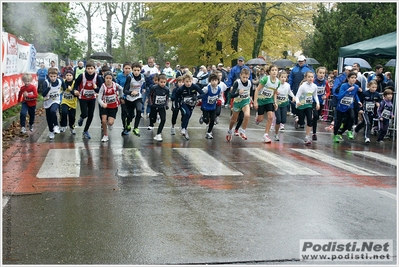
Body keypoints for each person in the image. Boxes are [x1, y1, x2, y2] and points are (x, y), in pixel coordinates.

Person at [73, 60, 102, 139]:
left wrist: (96, 89)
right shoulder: (82, 76)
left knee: (91, 115)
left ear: (94, 69)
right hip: (83, 97)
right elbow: (76, 83)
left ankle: (85, 130)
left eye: (91, 68)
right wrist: (75, 90)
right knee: (85, 113)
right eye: (88, 68)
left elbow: (101, 88)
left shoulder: (97, 77)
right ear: (86, 69)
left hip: (92, 98)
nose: (90, 70)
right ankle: (82, 117)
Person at [173, 73, 205, 140]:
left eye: (190, 81)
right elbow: (176, 96)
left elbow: (202, 93)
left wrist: (196, 97)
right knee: (187, 113)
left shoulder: (194, 86)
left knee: (188, 116)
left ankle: (183, 127)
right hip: (183, 103)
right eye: (187, 81)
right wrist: (176, 105)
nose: (188, 83)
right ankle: (183, 129)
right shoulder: (181, 88)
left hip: (192, 104)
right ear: (184, 81)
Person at [333, 71, 362, 143]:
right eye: (352, 78)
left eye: (355, 78)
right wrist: (347, 91)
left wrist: (358, 101)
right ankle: (335, 135)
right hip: (341, 106)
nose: (353, 79)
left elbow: (355, 95)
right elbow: (339, 97)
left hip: (349, 105)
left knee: (352, 117)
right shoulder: (344, 86)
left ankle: (349, 131)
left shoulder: (356, 87)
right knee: (338, 122)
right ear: (348, 78)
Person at [254, 64, 279, 143]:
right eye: (273, 70)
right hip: (261, 100)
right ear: (269, 72)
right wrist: (255, 101)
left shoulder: (278, 82)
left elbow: (275, 93)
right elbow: (257, 90)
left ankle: (266, 135)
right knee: (260, 119)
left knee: (271, 117)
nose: (274, 72)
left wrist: (275, 102)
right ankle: (257, 117)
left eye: (276, 70)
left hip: (269, 101)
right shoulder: (265, 79)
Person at [226, 68, 252, 141]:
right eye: (243, 77)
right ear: (240, 75)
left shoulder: (249, 82)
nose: (245, 79)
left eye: (246, 77)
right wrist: (238, 93)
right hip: (237, 102)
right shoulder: (237, 83)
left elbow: (251, 91)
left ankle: (242, 131)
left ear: (249, 76)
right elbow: (231, 95)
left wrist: (251, 98)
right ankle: (229, 130)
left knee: (247, 115)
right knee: (234, 120)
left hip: (245, 101)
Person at [97, 71, 123, 142]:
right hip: (105, 106)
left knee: (110, 122)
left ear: (112, 79)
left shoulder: (115, 85)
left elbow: (121, 89)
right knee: (103, 120)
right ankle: (105, 135)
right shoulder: (103, 86)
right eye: (106, 78)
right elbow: (99, 98)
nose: (108, 80)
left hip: (113, 106)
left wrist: (121, 97)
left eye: (110, 78)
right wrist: (102, 104)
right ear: (104, 78)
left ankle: (110, 124)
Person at [295, 71, 320, 145]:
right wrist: (297, 102)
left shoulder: (314, 86)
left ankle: (307, 136)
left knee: (310, 120)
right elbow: (297, 96)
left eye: (312, 77)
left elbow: (315, 96)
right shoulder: (303, 86)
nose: (310, 78)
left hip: (309, 105)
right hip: (301, 106)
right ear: (306, 78)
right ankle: (298, 121)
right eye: (309, 77)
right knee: (302, 122)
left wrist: (317, 103)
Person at [123, 62, 146, 137]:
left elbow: (144, 85)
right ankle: (128, 123)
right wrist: (131, 92)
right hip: (129, 99)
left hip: (137, 97)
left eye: (138, 70)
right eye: (135, 70)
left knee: (139, 110)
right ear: (132, 70)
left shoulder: (142, 77)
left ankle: (136, 128)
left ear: (140, 70)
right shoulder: (130, 77)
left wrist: (144, 89)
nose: (136, 72)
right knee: (131, 115)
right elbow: (124, 90)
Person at [43, 67, 66, 140]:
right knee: (49, 118)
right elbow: (43, 94)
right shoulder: (46, 82)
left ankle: (56, 125)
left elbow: (64, 87)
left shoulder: (60, 81)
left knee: (53, 111)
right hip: (47, 101)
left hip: (56, 100)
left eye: (54, 76)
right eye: (51, 76)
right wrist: (48, 88)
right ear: (48, 76)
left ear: (57, 76)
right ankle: (51, 131)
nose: (53, 78)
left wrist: (61, 92)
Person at [200, 72, 223, 139]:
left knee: (212, 119)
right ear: (210, 81)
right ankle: (203, 117)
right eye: (212, 80)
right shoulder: (206, 88)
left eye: (215, 80)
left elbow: (219, 96)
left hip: (213, 106)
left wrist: (219, 100)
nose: (214, 82)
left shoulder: (219, 89)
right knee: (206, 120)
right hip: (205, 106)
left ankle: (209, 132)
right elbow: (201, 93)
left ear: (218, 81)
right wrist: (198, 99)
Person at [147, 74, 170, 141]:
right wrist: (151, 103)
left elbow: (167, 97)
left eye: (164, 82)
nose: (163, 84)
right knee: (152, 118)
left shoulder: (167, 89)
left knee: (163, 119)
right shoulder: (154, 88)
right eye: (161, 82)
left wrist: (167, 104)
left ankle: (158, 134)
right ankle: (151, 124)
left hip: (161, 106)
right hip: (154, 106)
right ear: (158, 81)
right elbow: (150, 95)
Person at [274, 71, 295, 140]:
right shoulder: (276, 84)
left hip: (284, 104)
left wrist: (293, 97)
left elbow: (289, 92)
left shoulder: (287, 85)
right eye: (282, 77)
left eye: (285, 77)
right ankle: (276, 134)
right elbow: (273, 92)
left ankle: (278, 127)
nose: (283, 79)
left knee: (283, 120)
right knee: (278, 119)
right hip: (277, 104)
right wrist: (275, 94)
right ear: (279, 77)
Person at [312, 66, 330, 140]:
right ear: (317, 73)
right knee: (315, 115)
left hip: (321, 101)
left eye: (323, 73)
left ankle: (312, 120)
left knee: (317, 117)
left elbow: (328, 91)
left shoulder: (325, 82)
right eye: (320, 73)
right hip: (313, 101)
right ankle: (314, 133)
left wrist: (326, 96)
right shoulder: (313, 81)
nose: (321, 74)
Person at [116, 61, 133, 136]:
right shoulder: (119, 76)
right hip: (123, 97)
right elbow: (117, 86)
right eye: (126, 68)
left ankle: (128, 123)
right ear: (123, 69)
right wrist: (120, 97)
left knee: (132, 114)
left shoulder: (133, 76)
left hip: (132, 97)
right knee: (124, 113)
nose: (127, 70)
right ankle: (125, 127)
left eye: (129, 68)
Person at [60, 70, 78, 135]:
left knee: (72, 117)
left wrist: (71, 90)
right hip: (65, 101)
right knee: (64, 112)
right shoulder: (63, 82)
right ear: (65, 76)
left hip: (73, 103)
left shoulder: (75, 83)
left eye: (70, 75)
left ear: (73, 76)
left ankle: (72, 127)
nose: (68, 77)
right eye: (67, 75)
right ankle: (63, 125)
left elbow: (77, 94)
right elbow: (59, 89)